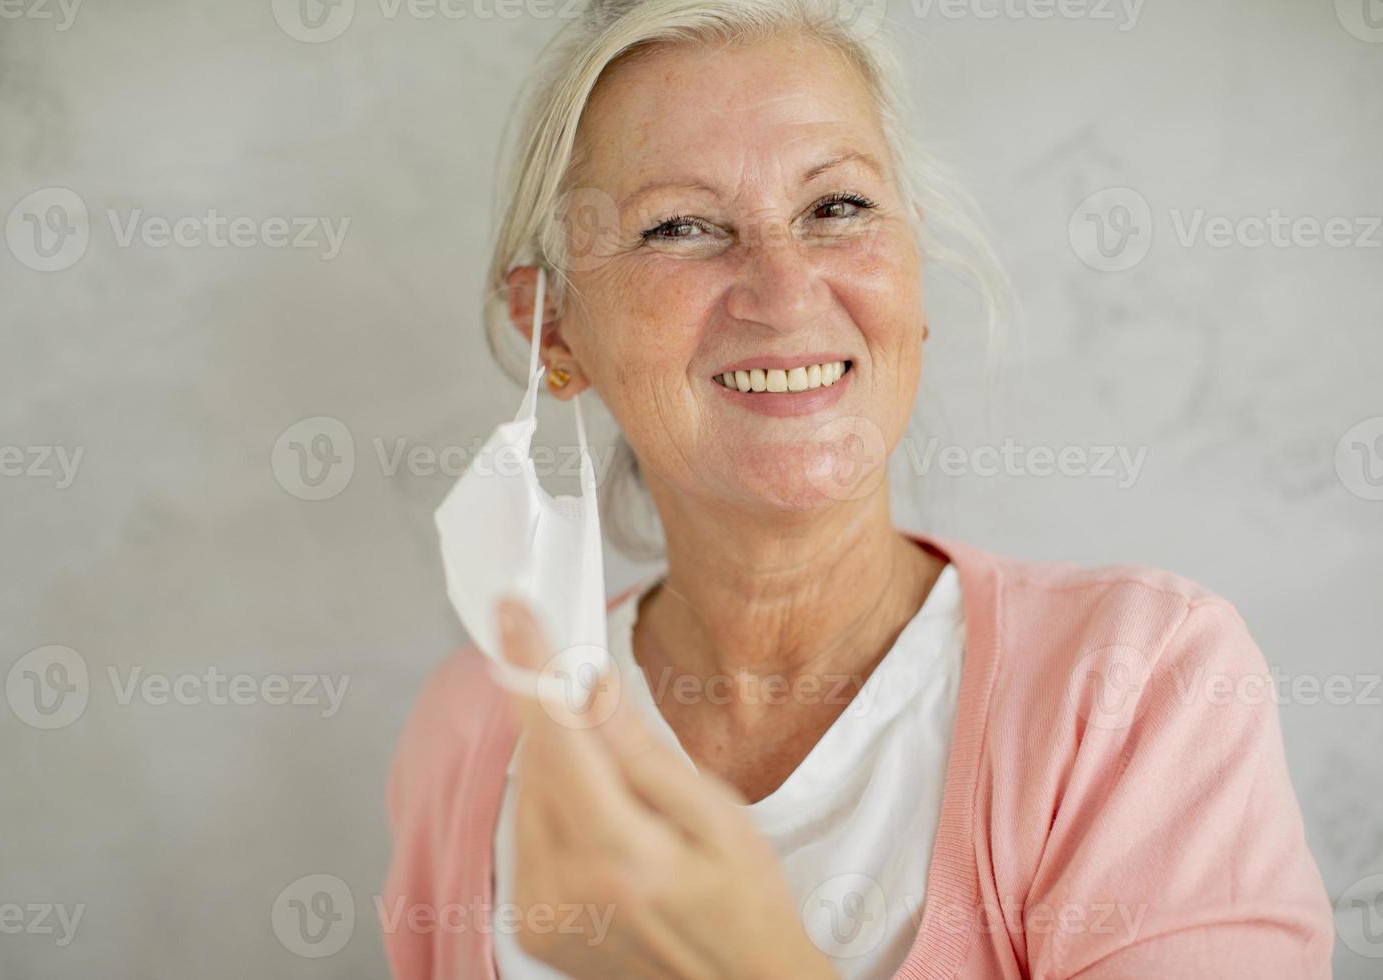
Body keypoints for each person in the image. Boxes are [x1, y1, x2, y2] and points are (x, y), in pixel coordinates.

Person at [385, 1, 1334, 976]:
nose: (786, 287)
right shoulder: (477, 725)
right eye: (680, 226)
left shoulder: (1134, 685)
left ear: (911, 270)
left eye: (836, 208)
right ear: (553, 330)